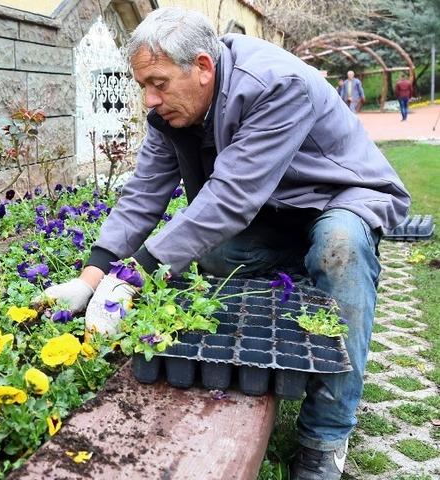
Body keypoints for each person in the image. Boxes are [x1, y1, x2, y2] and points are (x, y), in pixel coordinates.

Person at [38, 7, 410, 480]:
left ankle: (325, 437)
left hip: (336, 197)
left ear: (203, 66)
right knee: (209, 254)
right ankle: (294, 290)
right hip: (272, 213)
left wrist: (133, 276)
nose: (150, 99)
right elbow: (143, 196)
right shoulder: (172, 112)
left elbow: (231, 199)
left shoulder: (277, 84)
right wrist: (91, 278)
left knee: (339, 250)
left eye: (158, 82)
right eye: (142, 87)